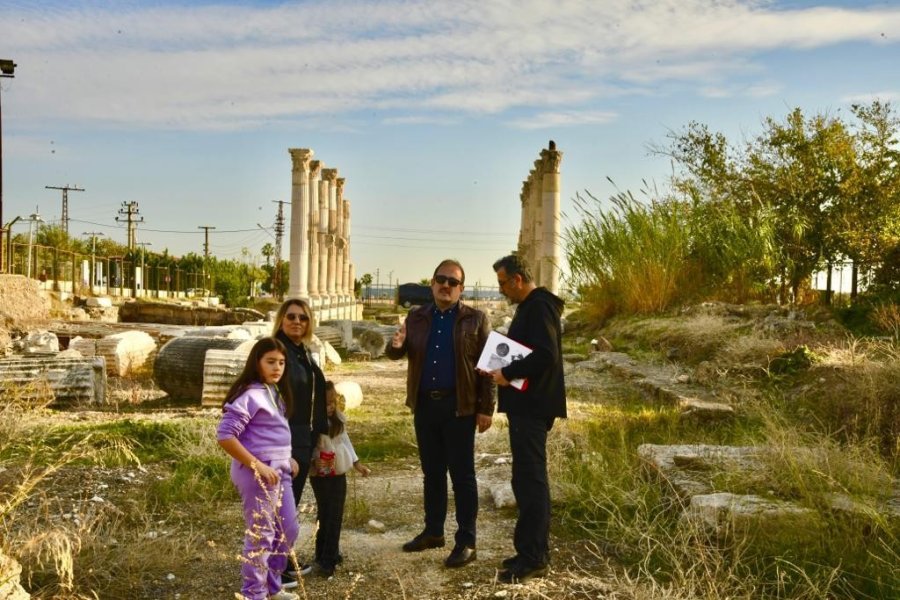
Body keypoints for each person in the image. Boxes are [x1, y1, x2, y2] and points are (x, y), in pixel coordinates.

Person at [386, 258, 495, 568]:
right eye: (441, 280)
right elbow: (397, 352)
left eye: (453, 282)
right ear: (432, 284)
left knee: (462, 475)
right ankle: (433, 532)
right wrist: (394, 346)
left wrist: (486, 409)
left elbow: (488, 369)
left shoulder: (476, 319)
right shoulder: (417, 317)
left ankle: (467, 540)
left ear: (461, 288)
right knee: (432, 473)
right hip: (425, 406)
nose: (446, 286)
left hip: (459, 407)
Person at [487, 254, 567, 584]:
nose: (502, 290)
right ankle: (527, 551)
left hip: (532, 407)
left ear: (518, 280)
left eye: (503, 283)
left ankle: (535, 558)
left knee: (532, 481)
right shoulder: (532, 306)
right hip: (526, 406)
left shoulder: (539, 305)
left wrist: (507, 371)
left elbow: (546, 354)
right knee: (523, 479)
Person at [216, 337, 301, 600]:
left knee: (288, 529)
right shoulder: (250, 394)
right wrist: (256, 465)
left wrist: (288, 457)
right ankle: (254, 594)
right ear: (257, 362)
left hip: (280, 471)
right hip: (257, 473)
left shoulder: (273, 392)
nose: (277, 367)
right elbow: (225, 435)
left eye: (282, 362)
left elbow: (272, 433)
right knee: (261, 534)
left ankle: (272, 588)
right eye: (271, 362)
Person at [272, 299, 328, 586]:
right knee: (282, 505)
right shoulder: (275, 351)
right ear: (281, 319)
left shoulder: (302, 351)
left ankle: (283, 560)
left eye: (303, 318)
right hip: (284, 437)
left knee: (289, 504)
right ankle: (274, 571)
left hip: (302, 436)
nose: (297, 322)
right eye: (291, 316)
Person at [308, 380, 371, 578]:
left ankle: (330, 554)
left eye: (332, 402)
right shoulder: (312, 425)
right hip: (321, 475)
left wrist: (357, 463)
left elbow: (346, 441)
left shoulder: (338, 420)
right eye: (325, 404)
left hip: (339, 473)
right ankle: (325, 558)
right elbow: (305, 446)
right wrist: (312, 462)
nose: (330, 407)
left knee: (335, 514)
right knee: (326, 513)